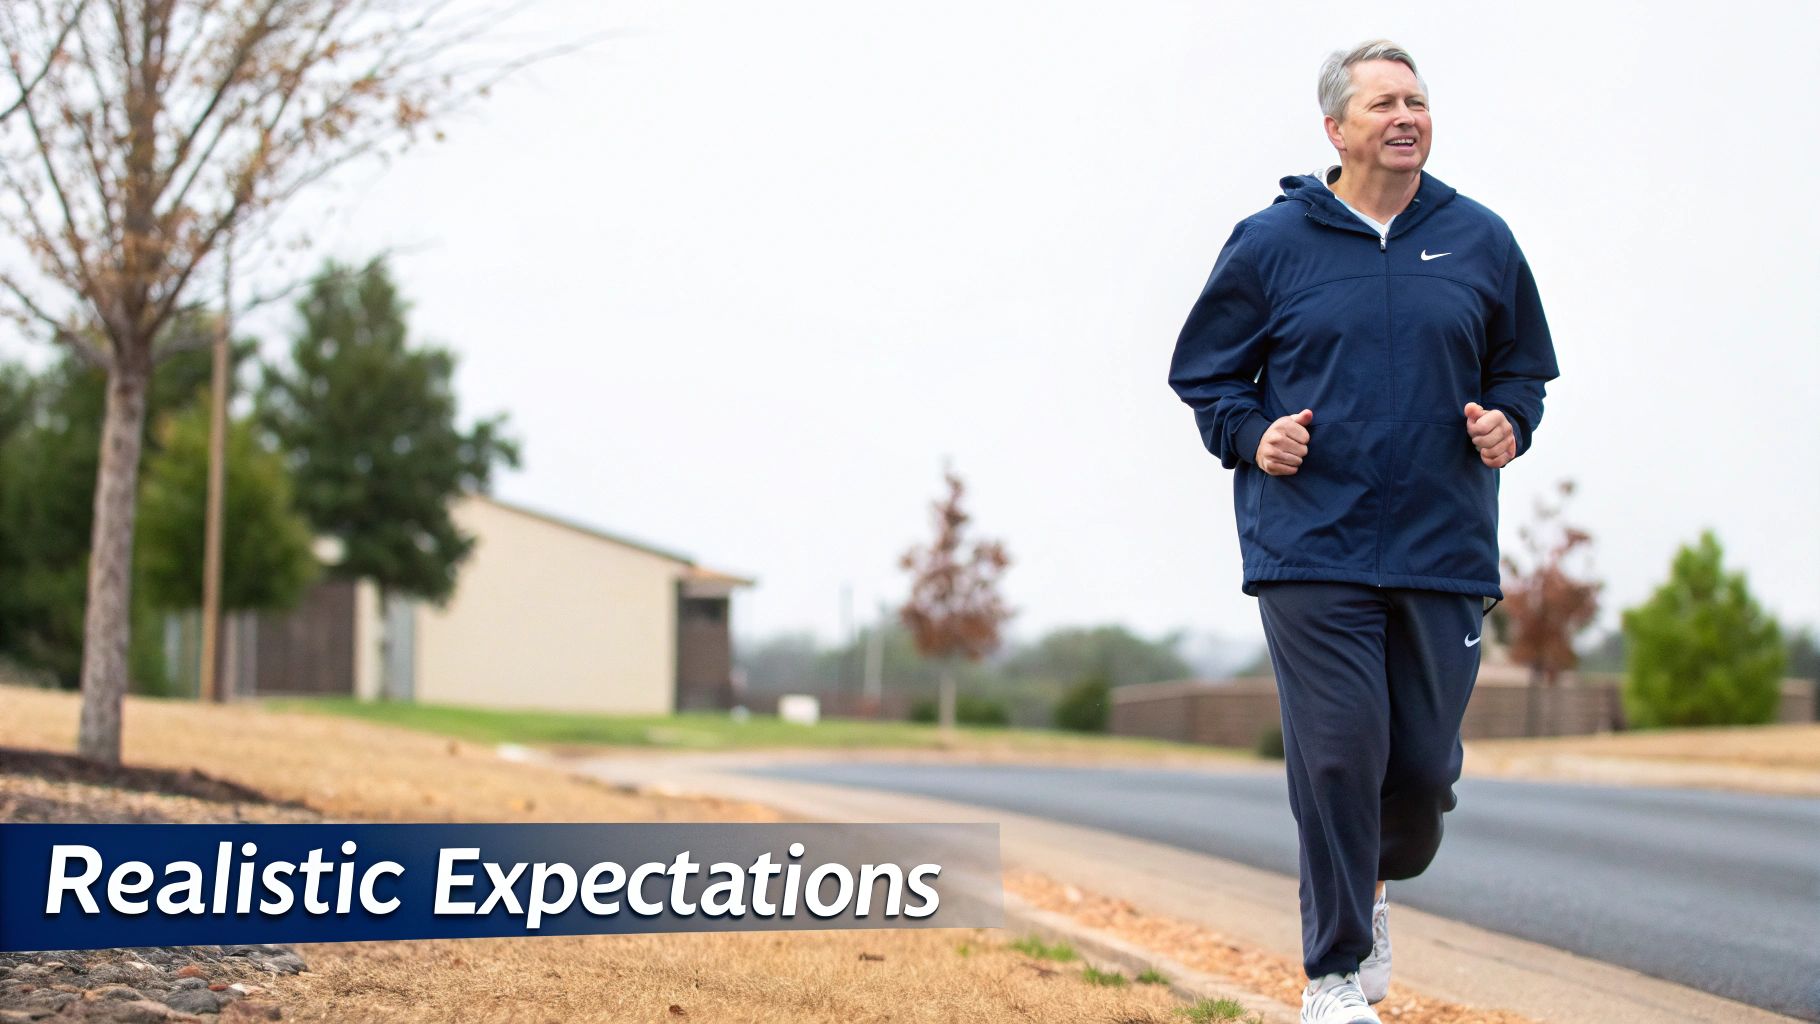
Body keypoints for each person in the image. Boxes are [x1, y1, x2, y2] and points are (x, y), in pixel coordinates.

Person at [1166, 40, 1559, 1024]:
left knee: (1418, 775)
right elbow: (1206, 374)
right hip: (1310, 546)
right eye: (1383, 103)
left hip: (1441, 547)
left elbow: (1522, 369)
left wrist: (1509, 422)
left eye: (1415, 101)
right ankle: (1332, 975)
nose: (1405, 116)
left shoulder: (1479, 240)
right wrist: (1252, 436)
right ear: (1335, 128)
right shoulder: (1271, 244)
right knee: (1339, 756)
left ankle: (1374, 886)